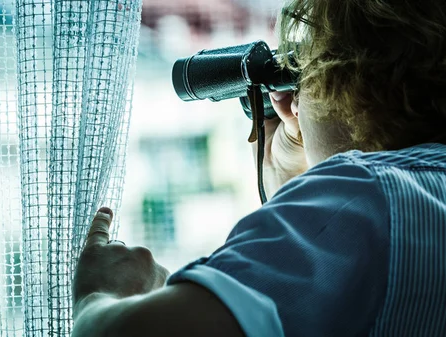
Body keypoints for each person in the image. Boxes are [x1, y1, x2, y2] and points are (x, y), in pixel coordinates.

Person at [72, 0, 446, 336]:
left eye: (306, 78)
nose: (293, 105)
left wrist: (101, 293)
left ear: (348, 82)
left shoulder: (365, 195)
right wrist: (290, 182)